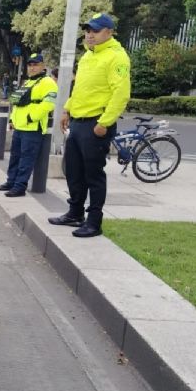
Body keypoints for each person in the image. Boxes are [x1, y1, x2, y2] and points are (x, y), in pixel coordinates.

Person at [48, 12, 130, 238]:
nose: (90, 35)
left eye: (95, 31)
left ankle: (94, 222)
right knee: (74, 171)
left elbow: (121, 94)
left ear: (109, 32)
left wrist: (104, 123)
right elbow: (81, 89)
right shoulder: (87, 56)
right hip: (78, 121)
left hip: (96, 124)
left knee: (93, 175)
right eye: (87, 30)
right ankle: (75, 213)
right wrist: (67, 109)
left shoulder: (116, 57)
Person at [0, 53, 58, 197]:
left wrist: (31, 118)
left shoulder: (48, 82)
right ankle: (11, 182)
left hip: (32, 128)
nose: (32, 68)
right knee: (15, 157)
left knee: (26, 159)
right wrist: (12, 120)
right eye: (30, 65)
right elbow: (17, 104)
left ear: (43, 66)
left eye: (36, 64)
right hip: (19, 127)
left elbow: (48, 104)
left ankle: (20, 186)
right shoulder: (28, 82)